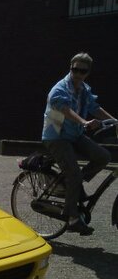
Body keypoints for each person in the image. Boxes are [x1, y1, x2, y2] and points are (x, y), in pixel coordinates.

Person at [42, 52, 113, 235]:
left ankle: (74, 185)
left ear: (87, 72)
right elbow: (65, 110)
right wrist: (84, 122)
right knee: (72, 173)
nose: (78, 73)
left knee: (103, 156)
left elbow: (95, 108)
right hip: (56, 137)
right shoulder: (59, 90)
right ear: (70, 67)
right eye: (75, 69)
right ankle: (71, 216)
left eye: (82, 70)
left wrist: (115, 121)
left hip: (74, 135)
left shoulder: (84, 89)